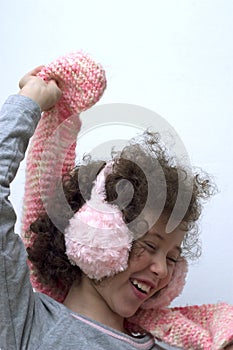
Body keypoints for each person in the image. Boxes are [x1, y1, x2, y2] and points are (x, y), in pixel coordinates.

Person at [1, 57, 233, 350]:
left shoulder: (184, 342)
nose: (162, 270)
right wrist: (28, 101)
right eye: (150, 246)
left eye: (172, 258)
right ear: (97, 236)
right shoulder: (28, 321)